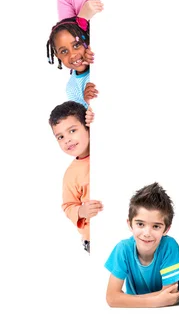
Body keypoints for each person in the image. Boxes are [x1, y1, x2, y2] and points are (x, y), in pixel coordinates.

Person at [105, 182, 179, 307]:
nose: (147, 233)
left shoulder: (169, 246)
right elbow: (111, 298)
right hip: (135, 314)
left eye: (156, 226)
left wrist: (126, 299)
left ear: (166, 229)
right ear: (130, 224)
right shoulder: (123, 249)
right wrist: (155, 301)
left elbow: (171, 295)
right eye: (140, 224)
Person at [49, 101, 103, 253]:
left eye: (72, 131)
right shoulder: (71, 174)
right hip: (93, 238)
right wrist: (81, 211)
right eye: (60, 137)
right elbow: (68, 205)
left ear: (87, 127)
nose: (67, 140)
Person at [47, 17, 97, 108]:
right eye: (64, 51)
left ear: (86, 41)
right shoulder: (72, 88)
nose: (72, 55)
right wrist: (89, 102)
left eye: (76, 45)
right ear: (58, 56)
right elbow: (81, 119)